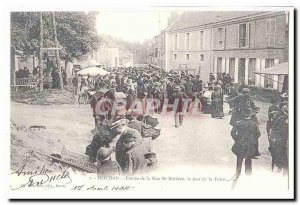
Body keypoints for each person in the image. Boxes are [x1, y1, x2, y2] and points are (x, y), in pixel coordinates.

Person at [231, 108, 261, 181]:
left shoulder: (238, 123)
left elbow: (232, 133)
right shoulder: (254, 124)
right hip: (250, 144)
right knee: (248, 159)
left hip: (240, 143)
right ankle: (248, 174)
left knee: (239, 159)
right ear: (250, 115)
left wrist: (237, 139)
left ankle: (237, 174)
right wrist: (252, 139)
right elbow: (258, 134)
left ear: (242, 114)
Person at [268, 104, 288, 174]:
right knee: (279, 155)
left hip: (285, 141)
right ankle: (278, 168)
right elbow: (273, 128)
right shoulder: (280, 118)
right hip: (280, 141)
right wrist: (272, 138)